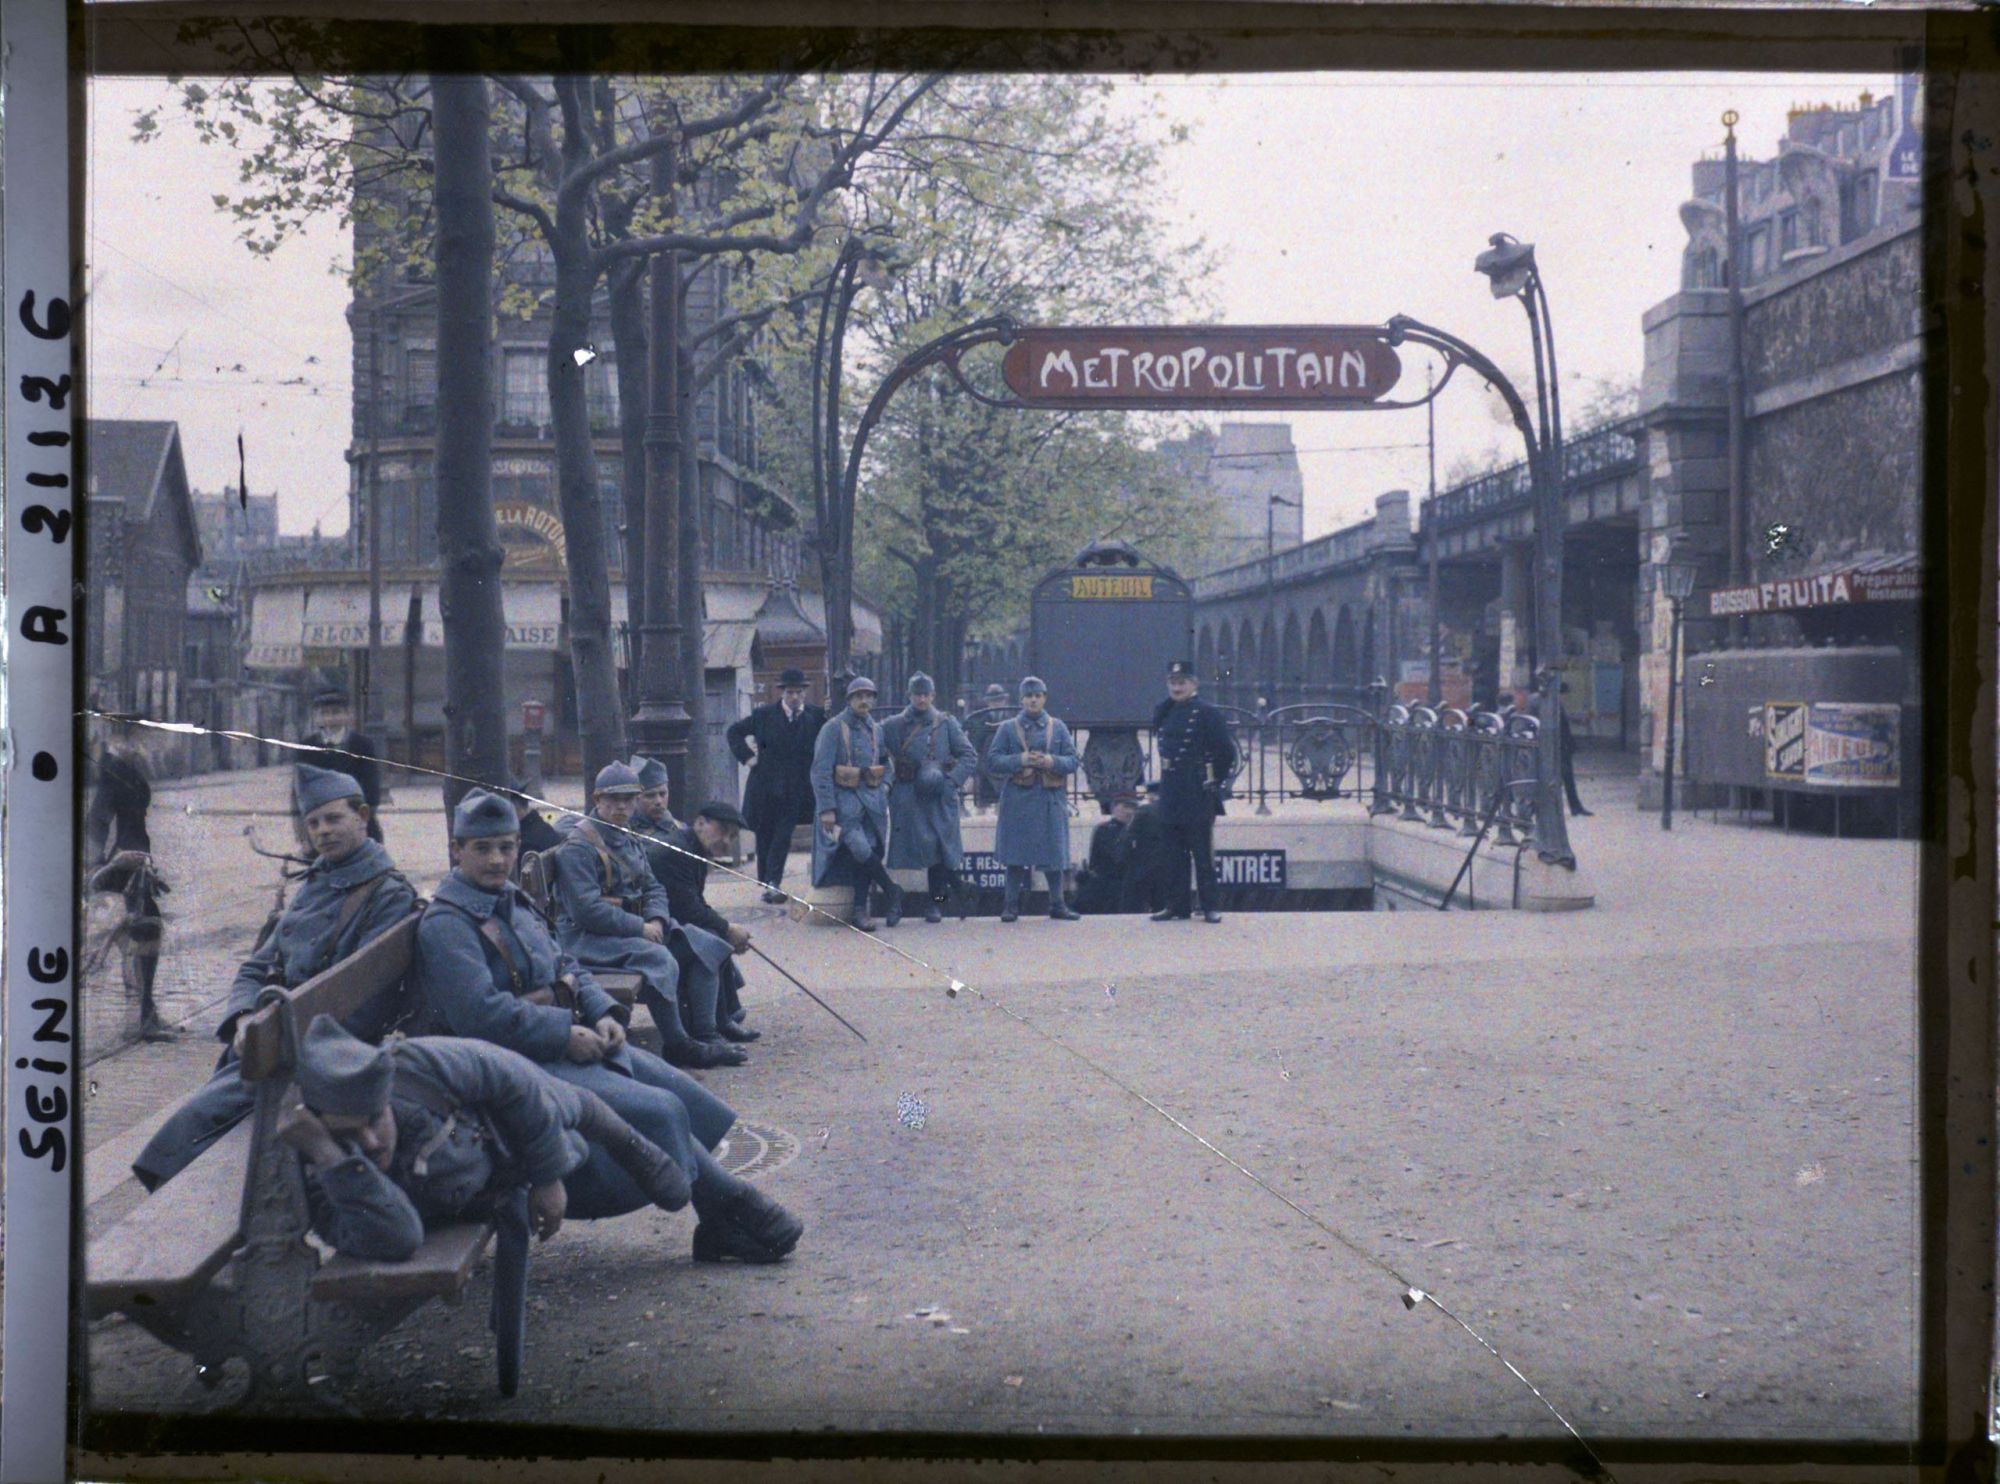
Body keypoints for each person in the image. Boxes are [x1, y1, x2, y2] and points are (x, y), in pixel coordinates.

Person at [414, 788, 801, 1262]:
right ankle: (733, 1208)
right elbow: (480, 1016)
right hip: (505, 1065)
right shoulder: (448, 923)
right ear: (456, 850)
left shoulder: (508, 898)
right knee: (658, 1109)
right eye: (482, 848)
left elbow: (565, 963)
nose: (497, 860)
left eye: (507, 847)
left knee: (676, 1088)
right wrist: (563, 1032)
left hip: (549, 1041)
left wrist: (601, 1012)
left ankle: (723, 1213)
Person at [131, 763, 419, 1191]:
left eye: (334, 818)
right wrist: (246, 1017)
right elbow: (255, 965)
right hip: (274, 1040)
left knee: (195, 1127)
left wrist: (274, 1035)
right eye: (314, 822)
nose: (322, 831)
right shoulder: (319, 881)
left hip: (319, 1053)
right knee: (194, 1125)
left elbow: (363, 1006)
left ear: (362, 817)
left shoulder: (386, 894)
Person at [281, 1016, 701, 1263]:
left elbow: (508, 1076)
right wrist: (333, 1157)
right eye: (347, 1134)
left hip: (489, 1136)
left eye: (374, 1119)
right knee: (557, 1123)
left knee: (559, 1102)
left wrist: (548, 1178)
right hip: (474, 1184)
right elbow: (398, 1238)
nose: (370, 1141)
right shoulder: (318, 1168)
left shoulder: (411, 1065)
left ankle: (623, 1137)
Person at [547, 762, 746, 1070]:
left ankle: (706, 1034)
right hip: (585, 939)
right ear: (597, 799)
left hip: (627, 930)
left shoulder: (626, 836)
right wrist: (639, 927)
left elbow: (653, 887)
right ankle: (678, 1044)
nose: (622, 807)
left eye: (628, 799)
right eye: (613, 800)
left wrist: (656, 920)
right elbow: (586, 911)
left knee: (708, 944)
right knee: (659, 959)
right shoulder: (579, 847)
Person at [644, 799, 760, 1044]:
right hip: (648, 929)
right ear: (699, 823)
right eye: (722, 832)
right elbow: (687, 909)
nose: (726, 842)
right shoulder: (677, 852)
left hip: (666, 922)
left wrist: (726, 929)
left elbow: (694, 905)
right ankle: (707, 1031)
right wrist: (728, 929)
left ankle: (723, 1020)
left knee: (714, 935)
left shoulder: (692, 847)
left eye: (732, 836)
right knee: (709, 943)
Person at [85, 727, 171, 1038]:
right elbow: (96, 822)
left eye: (134, 738)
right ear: (111, 740)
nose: (133, 744)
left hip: (136, 861)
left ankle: (143, 1016)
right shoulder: (113, 772)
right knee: (143, 931)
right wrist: (99, 866)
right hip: (125, 864)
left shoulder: (126, 768)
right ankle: (140, 1020)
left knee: (143, 932)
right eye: (125, 739)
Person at [878, 673, 980, 924]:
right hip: (909, 797)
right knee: (925, 851)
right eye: (917, 694)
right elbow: (873, 741)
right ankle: (959, 889)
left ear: (933, 696)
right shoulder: (894, 725)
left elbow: (969, 756)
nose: (921, 699)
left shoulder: (946, 723)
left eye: (926, 694)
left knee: (940, 851)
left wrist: (952, 782)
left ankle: (938, 905)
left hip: (939, 796)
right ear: (909, 695)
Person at [984, 676, 1081, 923]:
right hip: (1018, 798)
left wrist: (1051, 762)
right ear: (1022, 700)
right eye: (1029, 696)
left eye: (1038, 695)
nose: (1033, 700)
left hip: (1050, 797)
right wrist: (1021, 760)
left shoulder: (1057, 727)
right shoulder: (1007, 728)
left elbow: (1073, 761)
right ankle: (1011, 905)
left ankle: (1057, 904)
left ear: (1045, 698)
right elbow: (992, 761)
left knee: (1055, 856)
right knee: (1015, 857)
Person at [810, 676, 903, 932]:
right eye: (858, 696)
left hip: (873, 805)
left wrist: (885, 787)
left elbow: (887, 763)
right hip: (844, 805)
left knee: (867, 854)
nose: (864, 701)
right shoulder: (833, 728)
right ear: (849, 700)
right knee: (860, 849)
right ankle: (893, 890)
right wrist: (827, 808)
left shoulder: (875, 729)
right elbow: (820, 771)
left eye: (868, 696)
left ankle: (860, 911)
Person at [726, 668, 826, 904]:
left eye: (798, 692)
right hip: (765, 788)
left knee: (782, 836)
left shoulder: (816, 717)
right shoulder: (764, 715)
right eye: (790, 692)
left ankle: (773, 882)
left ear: (804, 693)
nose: (794, 697)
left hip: (795, 791)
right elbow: (734, 732)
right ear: (782, 693)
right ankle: (766, 882)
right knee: (764, 836)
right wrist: (748, 758)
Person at [1150, 660, 1238, 925]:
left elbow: (1226, 751)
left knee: (1201, 853)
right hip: (1171, 789)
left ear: (1194, 684)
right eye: (1173, 682)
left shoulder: (1206, 713)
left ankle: (1210, 906)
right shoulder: (1164, 710)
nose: (1177, 687)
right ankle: (1177, 906)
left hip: (1196, 789)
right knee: (1173, 854)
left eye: (1182, 682)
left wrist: (1215, 780)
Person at [297, 688, 384, 844]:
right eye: (324, 713)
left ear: (347, 715)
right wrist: (304, 834)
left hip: (356, 817)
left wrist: (363, 815)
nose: (330, 718)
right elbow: (300, 790)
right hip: (321, 821)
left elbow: (371, 785)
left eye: (336, 712)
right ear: (316, 718)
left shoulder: (361, 744)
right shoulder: (306, 747)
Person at [1075, 789, 1139, 915]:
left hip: (1130, 886)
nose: (1130, 812)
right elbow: (1115, 858)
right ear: (1114, 808)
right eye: (1125, 806)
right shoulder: (1105, 830)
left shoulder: (1138, 829)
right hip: (1106, 887)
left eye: (1133, 807)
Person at [1121, 781, 1170, 915]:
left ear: (1150, 795)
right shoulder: (1173, 809)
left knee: (1134, 907)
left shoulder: (1144, 810)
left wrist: (1128, 858)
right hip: (1168, 865)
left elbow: (1129, 838)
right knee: (1162, 905)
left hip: (1144, 865)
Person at [968, 683, 1011, 812]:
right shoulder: (980, 720)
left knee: (1003, 805)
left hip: (1005, 769)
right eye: (993, 701)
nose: (997, 704)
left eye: (1000, 700)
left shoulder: (1011, 719)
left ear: (1004, 701)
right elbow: (975, 744)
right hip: (985, 770)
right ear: (988, 703)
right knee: (982, 806)